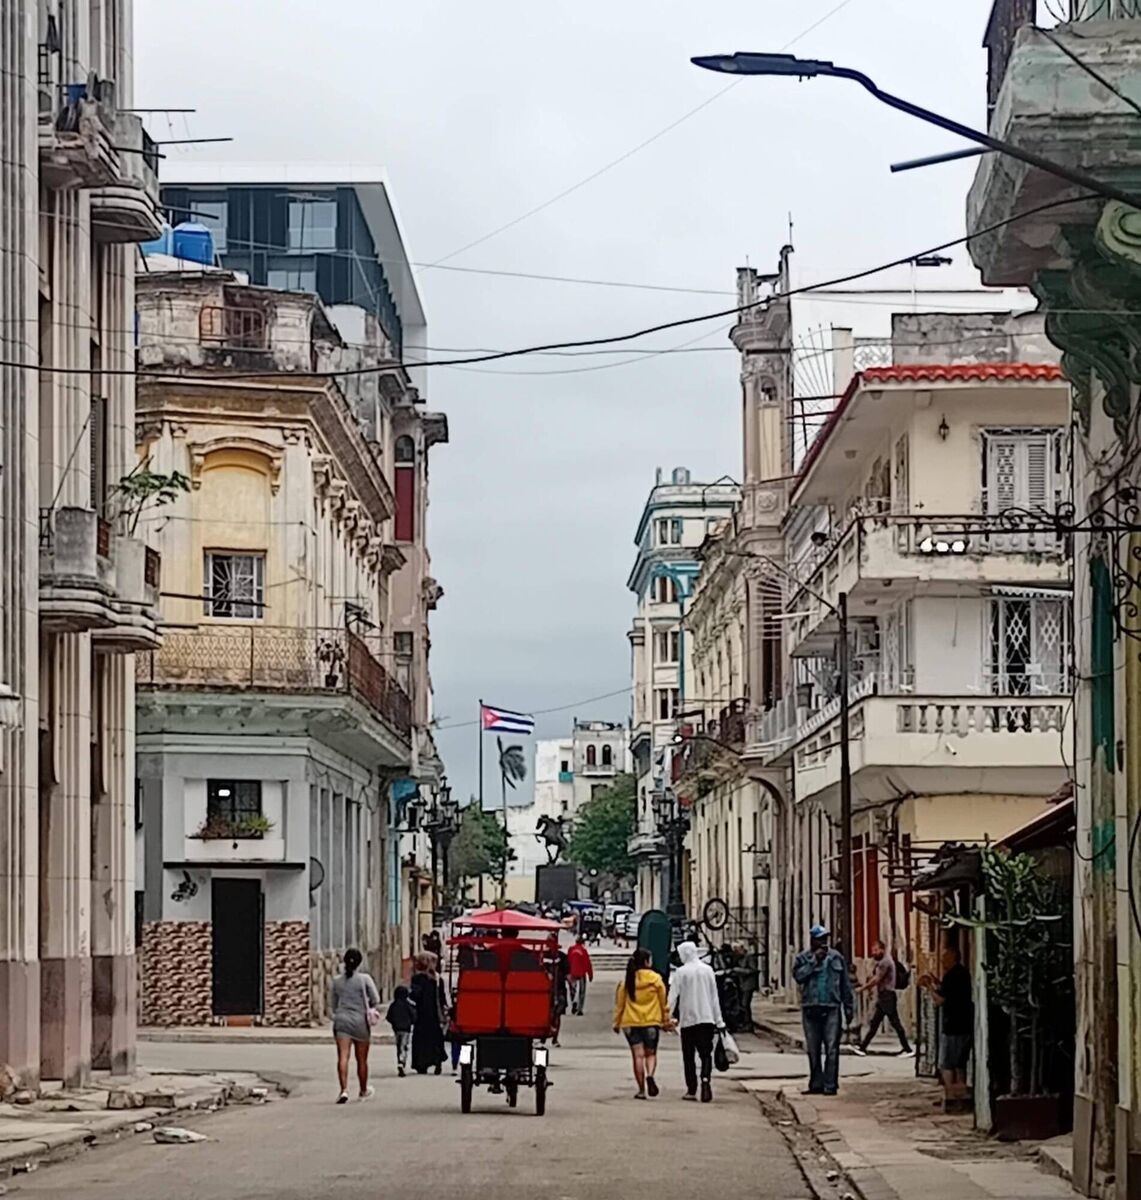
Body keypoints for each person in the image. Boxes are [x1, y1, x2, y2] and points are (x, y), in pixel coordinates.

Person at [792, 924, 854, 1097]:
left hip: (832, 1007)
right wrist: (814, 961)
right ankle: (816, 1084)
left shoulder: (836, 958)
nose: (823, 943)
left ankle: (830, 1085)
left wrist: (849, 1008)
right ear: (812, 940)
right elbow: (798, 976)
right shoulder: (803, 958)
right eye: (819, 939)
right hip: (811, 1008)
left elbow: (845, 984)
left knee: (832, 1048)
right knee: (813, 1049)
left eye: (825, 939)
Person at [668, 941, 724, 1103]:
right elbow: (714, 998)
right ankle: (706, 1080)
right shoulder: (708, 971)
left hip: (688, 1021)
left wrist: (666, 1016)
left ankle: (691, 1089)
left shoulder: (681, 972)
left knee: (689, 1056)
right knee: (706, 1054)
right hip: (707, 1019)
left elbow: (673, 996)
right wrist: (719, 1021)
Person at [613, 947, 671, 1100]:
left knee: (637, 1056)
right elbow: (663, 1002)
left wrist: (617, 1022)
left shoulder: (627, 980)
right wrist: (666, 1021)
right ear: (646, 961)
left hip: (631, 1022)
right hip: (651, 1021)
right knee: (650, 1054)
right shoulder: (656, 979)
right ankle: (650, 1075)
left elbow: (620, 1004)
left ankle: (641, 1090)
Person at [920, 944, 974, 1100]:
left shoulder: (952, 976)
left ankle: (950, 1094)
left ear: (952, 958)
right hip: (965, 1024)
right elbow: (948, 991)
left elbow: (941, 1000)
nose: (942, 962)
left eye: (945, 958)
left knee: (947, 1063)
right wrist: (936, 982)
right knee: (960, 1062)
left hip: (953, 1026)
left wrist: (929, 987)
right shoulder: (963, 974)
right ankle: (961, 1093)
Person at [330, 947, 379, 1103]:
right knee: (361, 1059)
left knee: (343, 1057)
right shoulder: (364, 979)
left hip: (342, 1021)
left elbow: (332, 1004)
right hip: (360, 1022)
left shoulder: (337, 981)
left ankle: (344, 1090)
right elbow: (375, 999)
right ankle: (363, 1090)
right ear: (359, 963)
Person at [854, 939, 914, 1058]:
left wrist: (863, 988)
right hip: (885, 996)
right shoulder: (884, 961)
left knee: (895, 1023)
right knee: (875, 1024)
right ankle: (863, 1047)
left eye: (876, 950)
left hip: (887, 996)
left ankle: (908, 1049)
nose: (874, 953)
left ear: (882, 949)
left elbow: (877, 979)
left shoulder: (884, 962)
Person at [409, 952, 447, 1075]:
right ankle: (437, 1062)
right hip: (434, 1015)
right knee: (435, 1039)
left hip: (421, 1014)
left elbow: (414, 996)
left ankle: (421, 1064)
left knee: (421, 1040)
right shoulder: (437, 979)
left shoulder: (417, 979)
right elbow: (441, 998)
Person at [385, 984, 417, 1077]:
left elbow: (389, 1017)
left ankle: (399, 1060)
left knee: (399, 1046)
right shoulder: (408, 1005)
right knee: (404, 1046)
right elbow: (414, 1016)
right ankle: (402, 1062)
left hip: (396, 1029)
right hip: (406, 1029)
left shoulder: (393, 1005)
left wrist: (394, 1023)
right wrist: (411, 1022)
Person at [568, 934, 594, 1015]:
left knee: (573, 989)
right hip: (581, 973)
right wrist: (590, 975)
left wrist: (567, 972)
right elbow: (587, 964)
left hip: (572, 972)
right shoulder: (583, 951)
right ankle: (580, 1009)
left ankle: (574, 1002)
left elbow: (568, 961)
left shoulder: (571, 949)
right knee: (582, 991)